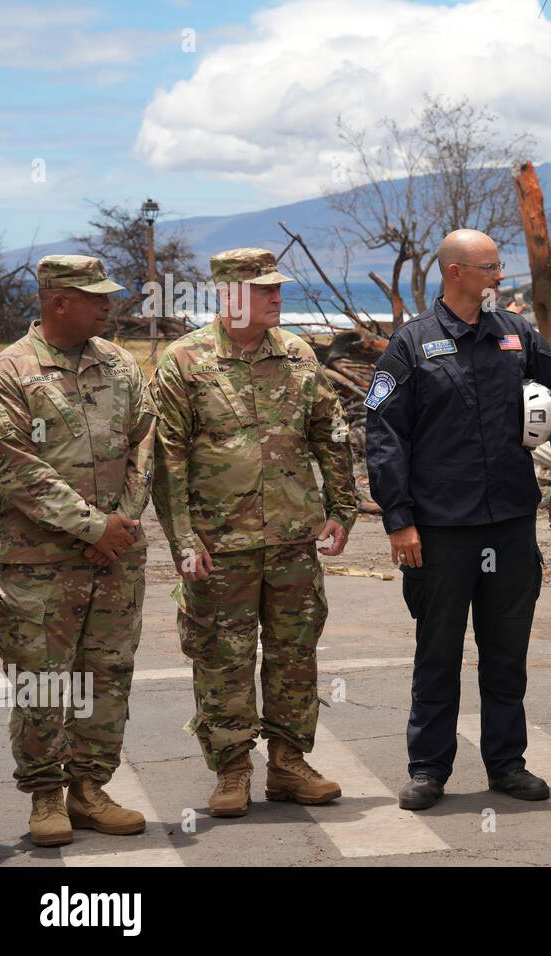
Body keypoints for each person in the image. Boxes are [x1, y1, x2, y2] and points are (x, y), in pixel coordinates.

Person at [365, 229, 551, 811]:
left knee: (506, 650)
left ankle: (507, 762)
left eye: (498, 267)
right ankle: (429, 769)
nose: (498, 277)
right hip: (440, 530)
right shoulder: (410, 346)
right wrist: (399, 519)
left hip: (510, 522)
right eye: (489, 268)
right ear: (456, 273)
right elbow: (384, 436)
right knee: (438, 651)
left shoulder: (516, 335)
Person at [151, 247, 358, 818]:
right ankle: (232, 770)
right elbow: (166, 460)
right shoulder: (185, 361)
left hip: (293, 539)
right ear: (228, 295)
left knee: (295, 655)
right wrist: (184, 541)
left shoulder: (296, 355)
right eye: (264, 289)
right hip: (221, 545)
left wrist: (342, 507)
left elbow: (329, 434)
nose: (276, 297)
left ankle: (289, 764)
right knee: (223, 657)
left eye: (277, 288)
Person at [0, 255, 153, 847]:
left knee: (107, 675)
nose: (109, 306)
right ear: (59, 302)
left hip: (115, 558)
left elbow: (145, 447)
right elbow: (14, 465)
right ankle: (46, 798)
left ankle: (90, 791)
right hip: (38, 562)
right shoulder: (8, 372)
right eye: (97, 298)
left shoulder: (121, 365)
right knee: (42, 681)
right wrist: (91, 528)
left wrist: (123, 524)